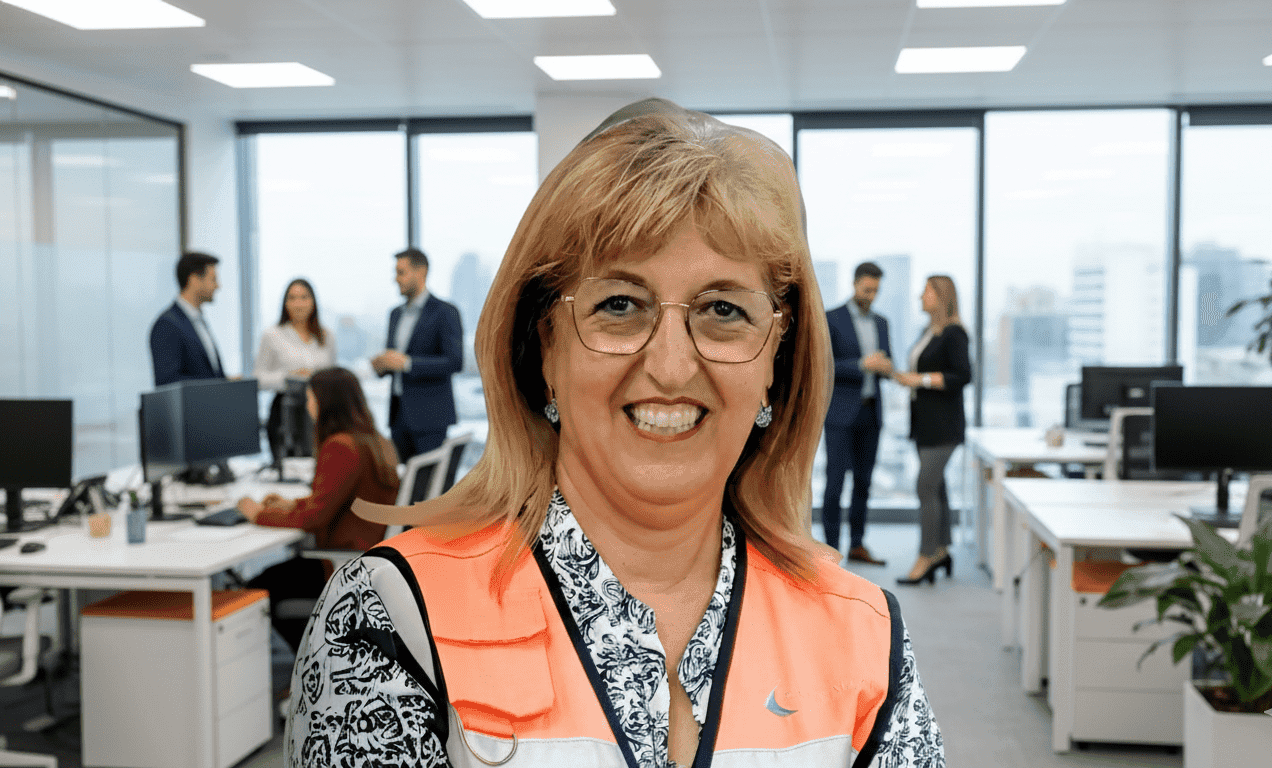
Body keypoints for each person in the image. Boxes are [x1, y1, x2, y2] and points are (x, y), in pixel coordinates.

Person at [285, 99, 944, 768]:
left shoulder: (864, 635)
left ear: (776, 359)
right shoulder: (394, 617)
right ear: (544, 350)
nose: (671, 366)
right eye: (619, 305)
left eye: (723, 310)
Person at [236, 367, 397, 652]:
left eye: (311, 398)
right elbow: (335, 500)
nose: (308, 406)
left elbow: (314, 518)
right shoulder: (375, 441)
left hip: (340, 565)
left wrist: (257, 514)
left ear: (326, 403)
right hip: (367, 561)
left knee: (256, 587)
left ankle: (318, 663)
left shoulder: (340, 446)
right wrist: (292, 504)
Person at [894, 276, 972, 586]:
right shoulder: (928, 332)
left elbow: (962, 375)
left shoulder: (954, 333)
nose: (920, 297)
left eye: (926, 292)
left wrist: (920, 380)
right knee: (937, 487)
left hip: (944, 425)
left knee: (925, 486)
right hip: (924, 423)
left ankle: (925, 557)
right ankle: (941, 551)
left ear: (941, 296)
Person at [821, 262, 896, 566]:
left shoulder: (882, 323)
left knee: (863, 483)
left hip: (870, 412)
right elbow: (824, 364)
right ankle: (830, 550)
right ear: (854, 284)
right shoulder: (832, 319)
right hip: (840, 414)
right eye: (867, 289)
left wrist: (886, 367)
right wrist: (861, 365)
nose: (871, 295)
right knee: (835, 483)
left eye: (876, 290)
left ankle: (857, 545)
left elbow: (888, 362)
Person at [370, 248, 464, 463]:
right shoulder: (395, 314)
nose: (396, 279)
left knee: (429, 482)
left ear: (421, 272)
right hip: (398, 416)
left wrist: (408, 363)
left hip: (430, 418)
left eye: (401, 272)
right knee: (399, 480)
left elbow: (455, 361)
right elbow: (395, 362)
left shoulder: (445, 312)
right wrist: (382, 365)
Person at [255, 278, 336, 463]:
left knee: (323, 463)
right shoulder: (272, 335)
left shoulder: (326, 336)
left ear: (313, 302)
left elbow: (333, 375)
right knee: (288, 468)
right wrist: (290, 377)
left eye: (304, 297)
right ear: (285, 303)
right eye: (292, 298)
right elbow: (258, 378)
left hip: (319, 408)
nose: (298, 303)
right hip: (286, 409)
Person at [149, 251, 226, 386]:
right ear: (194, 280)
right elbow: (168, 381)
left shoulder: (198, 321)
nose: (218, 286)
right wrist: (215, 386)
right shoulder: (167, 325)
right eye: (213, 279)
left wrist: (227, 383)